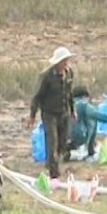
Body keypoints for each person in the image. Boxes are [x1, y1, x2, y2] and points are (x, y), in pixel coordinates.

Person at [26, 47, 75, 180]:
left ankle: (51, 162)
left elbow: (70, 94)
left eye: (67, 60)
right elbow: (37, 96)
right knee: (52, 141)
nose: (66, 63)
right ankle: (54, 174)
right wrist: (32, 115)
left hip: (64, 112)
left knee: (63, 141)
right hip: (49, 113)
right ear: (58, 62)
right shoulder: (46, 76)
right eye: (64, 61)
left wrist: (72, 110)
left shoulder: (69, 73)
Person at [69, 84, 107, 160]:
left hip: (63, 138)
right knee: (93, 120)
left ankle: (67, 152)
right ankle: (90, 150)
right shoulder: (83, 105)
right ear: (85, 96)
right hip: (79, 136)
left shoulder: (67, 104)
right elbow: (96, 115)